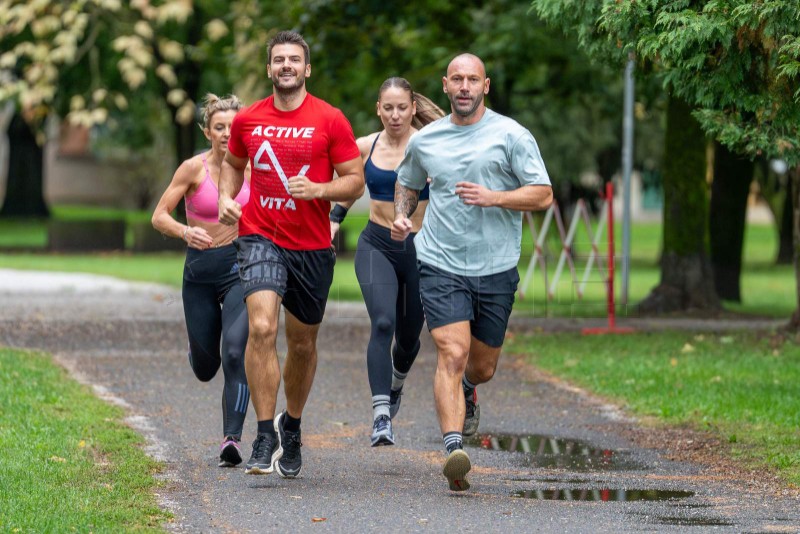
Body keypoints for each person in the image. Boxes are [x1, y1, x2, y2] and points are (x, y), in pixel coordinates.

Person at [392, 53, 553, 491]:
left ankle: (468, 388)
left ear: (486, 86)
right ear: (445, 85)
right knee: (452, 351)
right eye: (457, 79)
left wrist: (494, 197)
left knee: (481, 367)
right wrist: (404, 215)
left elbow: (542, 195)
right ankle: (452, 449)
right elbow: (408, 182)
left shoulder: (511, 136)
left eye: (473, 80)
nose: (464, 87)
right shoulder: (427, 141)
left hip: (496, 267)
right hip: (440, 262)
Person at [218, 30, 364, 478]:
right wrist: (227, 197)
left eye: (294, 59)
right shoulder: (247, 120)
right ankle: (264, 434)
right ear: (269, 68)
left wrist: (319, 189)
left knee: (302, 343)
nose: (286, 65)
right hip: (260, 236)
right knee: (261, 327)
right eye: (278, 59)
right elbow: (233, 164)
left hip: (312, 246)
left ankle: (292, 426)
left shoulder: (330, 119)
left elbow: (355, 179)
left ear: (307, 68)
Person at [330, 78, 445, 447]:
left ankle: (396, 384)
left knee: (409, 338)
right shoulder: (365, 145)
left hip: (421, 249)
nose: (395, 115)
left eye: (402, 108)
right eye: (388, 108)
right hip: (376, 243)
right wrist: (332, 224)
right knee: (382, 321)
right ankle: (381, 416)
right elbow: (348, 189)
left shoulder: (432, 145)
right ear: (378, 109)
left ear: (413, 108)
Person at [151, 93, 251, 468]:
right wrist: (184, 232)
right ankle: (197, 348)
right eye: (219, 127)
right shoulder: (193, 169)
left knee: (236, 353)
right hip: (199, 271)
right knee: (207, 367)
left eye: (233, 127)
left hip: (240, 268)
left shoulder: (254, 167)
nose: (227, 134)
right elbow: (159, 215)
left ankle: (232, 439)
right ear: (207, 131)